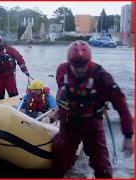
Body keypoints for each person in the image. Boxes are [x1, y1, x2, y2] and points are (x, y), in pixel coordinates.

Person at [52, 40, 134, 178]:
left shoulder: (102, 77)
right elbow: (64, 94)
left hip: (92, 125)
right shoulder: (62, 70)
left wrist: (128, 136)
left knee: (103, 168)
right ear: (69, 62)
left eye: (83, 65)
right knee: (60, 162)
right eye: (76, 66)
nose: (79, 70)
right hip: (69, 123)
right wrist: (60, 109)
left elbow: (122, 106)